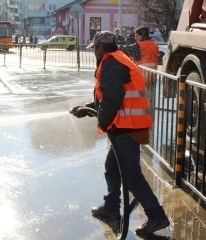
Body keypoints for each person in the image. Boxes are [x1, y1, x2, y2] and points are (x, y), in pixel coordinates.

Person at [70, 31, 169, 235]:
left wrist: (102, 121)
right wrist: (86, 109)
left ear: (99, 47)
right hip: (125, 126)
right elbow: (109, 98)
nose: (94, 53)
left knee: (131, 176)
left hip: (126, 128)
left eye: (94, 49)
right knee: (112, 168)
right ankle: (111, 208)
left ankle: (156, 216)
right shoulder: (118, 59)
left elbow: (113, 99)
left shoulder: (111, 64)